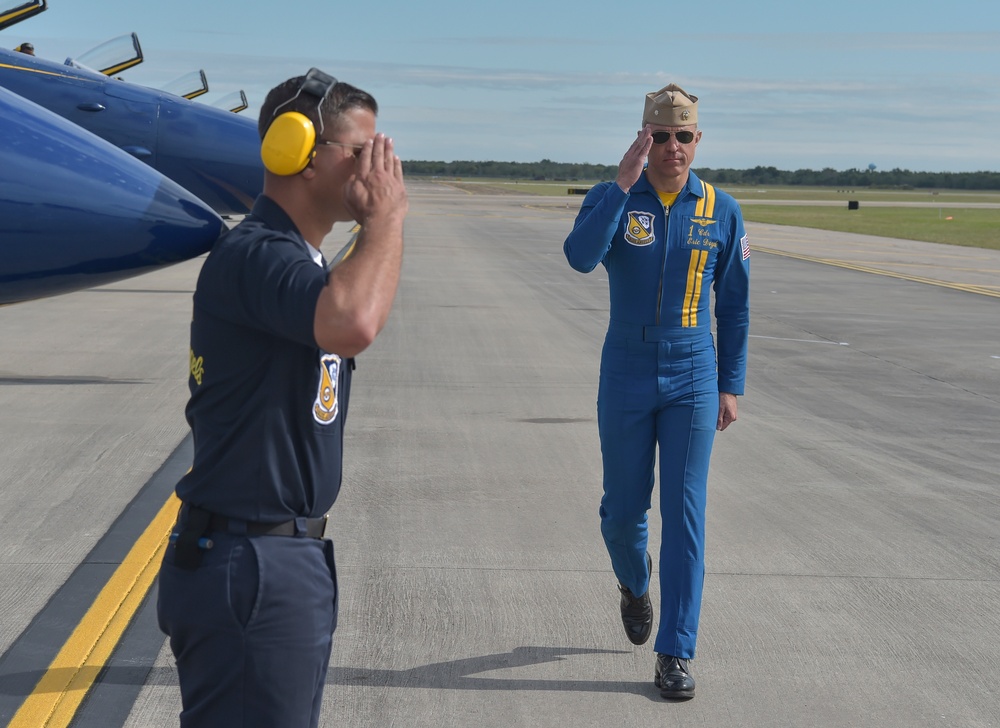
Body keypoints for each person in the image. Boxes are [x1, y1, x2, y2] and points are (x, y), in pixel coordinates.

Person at [156, 68, 407, 727]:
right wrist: (388, 218)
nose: (377, 166)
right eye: (360, 151)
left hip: (279, 556)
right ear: (295, 151)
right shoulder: (256, 256)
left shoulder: (301, 262)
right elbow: (352, 324)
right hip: (251, 562)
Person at [563, 83, 749, 700]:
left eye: (684, 136)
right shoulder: (614, 198)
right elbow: (579, 257)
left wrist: (731, 384)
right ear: (645, 137)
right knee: (622, 514)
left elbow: (738, 308)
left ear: (700, 141)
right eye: (661, 136)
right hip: (627, 366)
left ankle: (675, 652)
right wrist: (620, 185)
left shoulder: (720, 209)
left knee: (686, 515)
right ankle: (634, 585)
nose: (673, 148)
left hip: (694, 369)